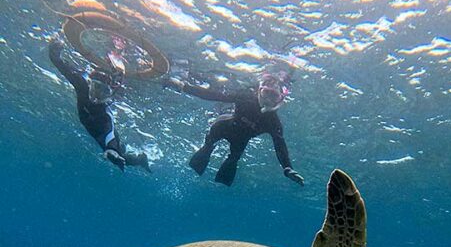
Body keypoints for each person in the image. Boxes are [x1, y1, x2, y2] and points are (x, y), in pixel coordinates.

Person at [164, 71, 304, 187]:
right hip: (222, 126)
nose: (268, 99)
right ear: (259, 90)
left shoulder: (273, 121)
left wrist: (287, 168)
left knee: (233, 159)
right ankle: (207, 150)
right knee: (208, 146)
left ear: (280, 100)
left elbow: (280, 145)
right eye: (267, 93)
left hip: (240, 141)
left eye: (273, 96)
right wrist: (183, 86)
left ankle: (219, 179)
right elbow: (214, 95)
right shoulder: (246, 97)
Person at [48, 38, 150, 172]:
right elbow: (64, 68)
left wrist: (112, 149)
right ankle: (132, 157)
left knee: (118, 157)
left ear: (110, 96)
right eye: (97, 88)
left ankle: (140, 160)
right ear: (91, 84)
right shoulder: (82, 85)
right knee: (116, 154)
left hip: (99, 132)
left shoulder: (105, 114)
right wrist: (54, 54)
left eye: (104, 92)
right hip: (91, 124)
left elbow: (110, 134)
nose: (98, 95)